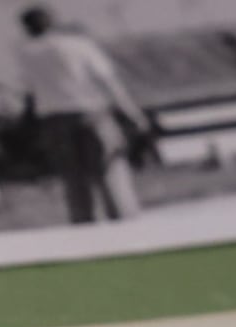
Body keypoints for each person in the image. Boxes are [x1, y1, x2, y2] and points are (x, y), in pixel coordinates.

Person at [14, 4, 150, 225]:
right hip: (91, 112)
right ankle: (124, 222)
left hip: (53, 118)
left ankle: (84, 225)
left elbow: (29, 92)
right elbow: (108, 82)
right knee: (109, 170)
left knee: (73, 177)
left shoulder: (27, 52)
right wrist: (132, 113)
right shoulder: (78, 45)